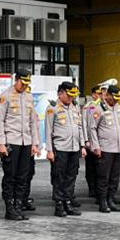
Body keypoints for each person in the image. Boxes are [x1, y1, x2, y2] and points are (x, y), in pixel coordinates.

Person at [0, 68, 40, 221]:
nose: (25, 86)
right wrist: (1, 143)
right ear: (16, 80)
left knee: (23, 176)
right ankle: (9, 208)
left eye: (27, 83)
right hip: (12, 142)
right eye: (23, 83)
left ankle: (18, 205)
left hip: (26, 142)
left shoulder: (29, 97)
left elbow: (32, 122)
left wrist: (35, 143)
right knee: (10, 176)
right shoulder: (5, 97)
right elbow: (0, 121)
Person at [45, 81, 85, 217]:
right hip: (60, 148)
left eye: (73, 96)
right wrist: (49, 150)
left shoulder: (74, 107)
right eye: (68, 95)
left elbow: (80, 127)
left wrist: (83, 146)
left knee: (71, 177)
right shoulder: (53, 108)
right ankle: (59, 205)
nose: (71, 98)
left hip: (74, 148)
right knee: (59, 177)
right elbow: (48, 131)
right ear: (60, 93)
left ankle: (68, 202)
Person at [85, 84, 120, 213]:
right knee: (103, 176)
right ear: (107, 95)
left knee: (115, 176)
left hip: (118, 148)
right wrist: (95, 146)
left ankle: (110, 199)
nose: (116, 100)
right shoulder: (98, 109)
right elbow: (92, 128)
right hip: (105, 148)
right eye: (114, 97)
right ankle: (102, 201)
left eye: (118, 98)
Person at [83, 83, 104, 199]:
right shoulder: (89, 106)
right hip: (91, 142)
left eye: (102, 93)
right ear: (93, 94)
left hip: (102, 142)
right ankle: (92, 188)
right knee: (91, 167)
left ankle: (99, 189)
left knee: (100, 168)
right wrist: (86, 140)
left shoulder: (104, 106)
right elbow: (85, 123)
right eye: (98, 93)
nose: (100, 95)